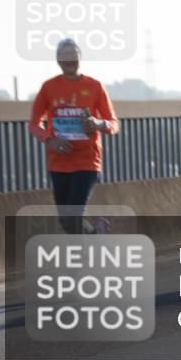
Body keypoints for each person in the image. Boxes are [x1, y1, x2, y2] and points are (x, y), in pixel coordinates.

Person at [28, 38, 118, 235]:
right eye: (64, 57)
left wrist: (98, 123)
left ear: (80, 58)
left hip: (87, 160)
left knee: (74, 214)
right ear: (58, 60)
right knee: (66, 220)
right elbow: (34, 123)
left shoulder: (94, 86)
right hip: (58, 162)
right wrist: (51, 140)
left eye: (73, 56)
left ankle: (80, 260)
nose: (69, 61)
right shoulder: (49, 87)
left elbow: (113, 124)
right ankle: (97, 233)